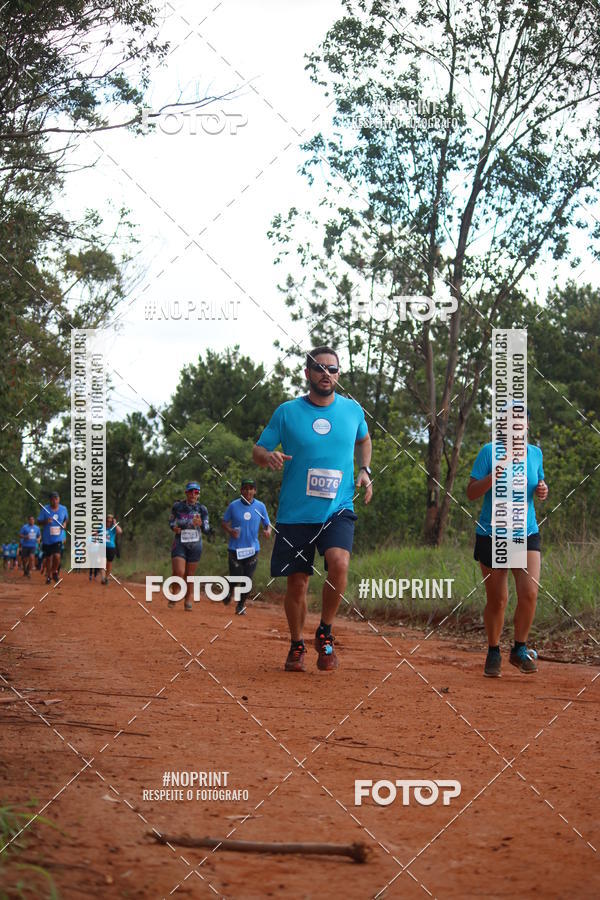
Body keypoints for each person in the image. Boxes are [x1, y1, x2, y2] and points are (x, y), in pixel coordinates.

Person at [253, 346, 373, 672]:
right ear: (307, 373)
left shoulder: (352, 411)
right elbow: (258, 450)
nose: (326, 374)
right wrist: (268, 457)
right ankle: (296, 644)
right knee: (298, 584)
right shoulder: (287, 412)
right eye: (320, 368)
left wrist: (365, 470)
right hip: (296, 513)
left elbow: (364, 440)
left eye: (332, 369)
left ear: (339, 375)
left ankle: (325, 630)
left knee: (339, 562)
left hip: (338, 506)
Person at [467, 410, 548, 677]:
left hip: (526, 532)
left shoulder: (535, 453)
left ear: (527, 425)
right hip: (493, 533)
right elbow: (470, 492)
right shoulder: (489, 452)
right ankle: (493, 650)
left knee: (530, 593)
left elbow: (539, 484)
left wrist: (542, 489)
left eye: (521, 421)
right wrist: (492, 479)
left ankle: (519, 649)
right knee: (498, 599)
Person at [222, 479, 271, 615]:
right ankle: (229, 591)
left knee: (247, 579)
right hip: (235, 548)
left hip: (252, 549)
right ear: (241, 491)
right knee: (236, 576)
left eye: (251, 488)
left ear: (255, 491)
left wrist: (267, 531)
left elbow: (267, 523)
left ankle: (240, 605)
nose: (248, 491)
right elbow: (224, 522)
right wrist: (231, 531)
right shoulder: (233, 506)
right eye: (245, 488)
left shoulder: (260, 506)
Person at [169, 482, 210, 611]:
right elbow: (171, 521)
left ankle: (188, 599)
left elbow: (208, 528)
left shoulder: (202, 509)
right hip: (180, 542)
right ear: (186, 493)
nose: (193, 494)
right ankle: (175, 593)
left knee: (189, 575)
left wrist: (201, 524)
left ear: (198, 494)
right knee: (179, 572)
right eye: (191, 492)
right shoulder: (177, 506)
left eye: (196, 492)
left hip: (195, 544)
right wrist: (174, 527)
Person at [38, 492, 69, 585]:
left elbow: (66, 519)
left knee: (57, 556)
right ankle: (48, 576)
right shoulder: (45, 509)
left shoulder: (63, 509)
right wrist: (45, 521)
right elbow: (38, 521)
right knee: (48, 558)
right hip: (47, 538)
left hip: (58, 538)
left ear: (59, 499)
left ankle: (54, 571)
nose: (55, 501)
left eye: (56, 498)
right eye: (53, 499)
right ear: (50, 500)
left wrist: (64, 524)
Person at [101, 514, 122, 584]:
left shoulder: (113, 528)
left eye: (110, 521)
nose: (108, 522)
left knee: (109, 564)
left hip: (111, 548)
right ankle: (103, 578)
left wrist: (115, 524)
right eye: (107, 521)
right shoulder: (102, 527)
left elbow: (120, 531)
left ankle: (106, 577)